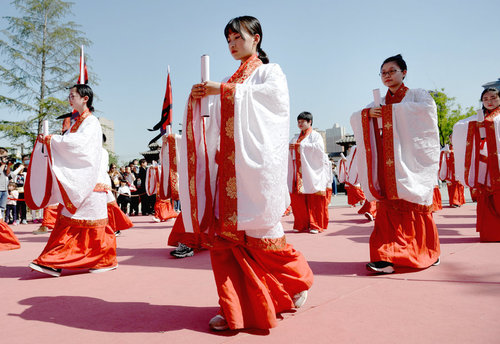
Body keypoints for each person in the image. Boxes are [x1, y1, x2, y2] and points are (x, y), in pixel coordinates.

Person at [185, 16, 313, 330]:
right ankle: (234, 309)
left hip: (255, 172)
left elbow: (272, 107)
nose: (232, 45)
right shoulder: (233, 78)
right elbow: (217, 120)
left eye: (237, 38)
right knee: (227, 242)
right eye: (228, 41)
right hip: (228, 170)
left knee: (264, 237)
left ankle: (297, 282)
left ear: (255, 38)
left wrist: (224, 91)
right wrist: (204, 99)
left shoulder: (270, 72)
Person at [350, 54, 441, 274]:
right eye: (383, 73)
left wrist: (391, 113)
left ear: (404, 72)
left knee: (412, 204)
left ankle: (427, 249)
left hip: (411, 162)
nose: (387, 76)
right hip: (387, 163)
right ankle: (385, 258)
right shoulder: (377, 102)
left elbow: (427, 115)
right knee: (387, 208)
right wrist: (366, 114)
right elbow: (356, 118)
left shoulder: (417, 95)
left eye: (392, 71)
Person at [28, 84, 117, 277]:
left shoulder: (91, 122)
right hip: (82, 184)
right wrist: (51, 141)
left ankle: (62, 261)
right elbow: (69, 144)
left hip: (89, 184)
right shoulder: (78, 123)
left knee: (86, 226)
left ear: (85, 98)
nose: (70, 99)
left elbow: (78, 146)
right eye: (69, 95)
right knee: (72, 224)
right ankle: (58, 261)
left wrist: (53, 140)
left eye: (73, 95)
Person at [453, 87, 500, 242]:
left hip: (498, 162)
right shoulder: (477, 118)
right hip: (485, 165)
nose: (489, 101)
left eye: (493, 98)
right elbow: (460, 126)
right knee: (486, 197)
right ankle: (491, 233)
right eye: (485, 99)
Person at [288, 112, 331, 233]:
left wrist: (299, 147)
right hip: (298, 172)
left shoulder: (316, 136)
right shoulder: (295, 137)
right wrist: (292, 147)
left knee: (314, 199)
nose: (299, 124)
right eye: (298, 122)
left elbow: (319, 149)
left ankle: (315, 225)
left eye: (302, 121)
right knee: (298, 199)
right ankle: (301, 224)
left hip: (312, 172)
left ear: (310, 122)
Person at [439, 136, 465, 207]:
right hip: (449, 169)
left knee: (457, 184)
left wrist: (451, 152)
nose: (451, 140)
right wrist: (444, 153)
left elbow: (462, 154)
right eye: (450, 138)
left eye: (453, 138)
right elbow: (441, 153)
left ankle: (457, 201)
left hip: (457, 169)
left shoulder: (459, 146)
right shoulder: (447, 147)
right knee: (451, 185)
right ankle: (453, 201)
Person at [0, 148, 12, 219]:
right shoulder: (2, 165)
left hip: (4, 189)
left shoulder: (4, 164)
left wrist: (8, 166)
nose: (6, 158)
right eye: (4, 156)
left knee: (2, 208)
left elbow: (8, 174)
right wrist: (3, 164)